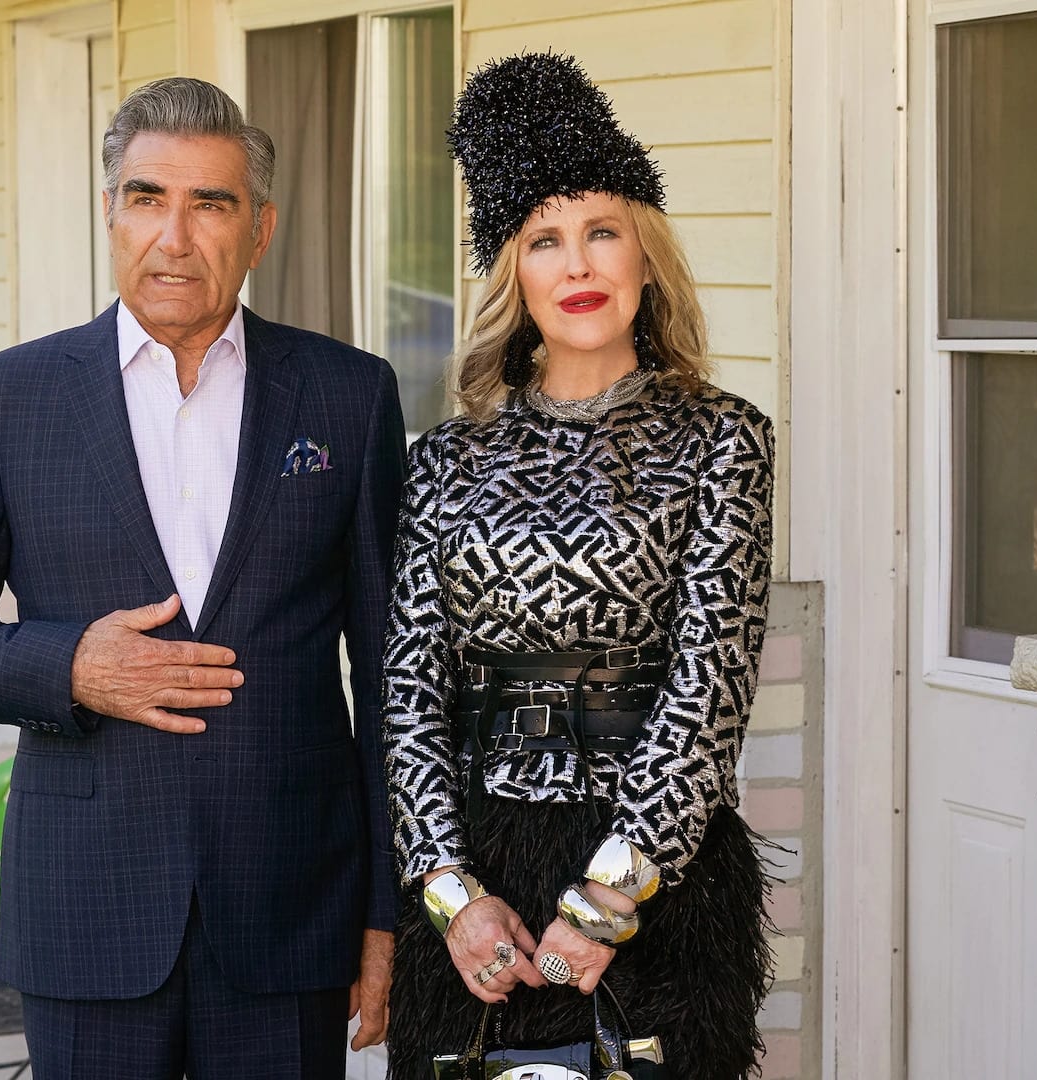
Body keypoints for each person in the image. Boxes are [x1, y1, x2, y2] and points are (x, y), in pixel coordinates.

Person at [0, 76, 401, 1079]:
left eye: (211, 204)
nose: (176, 236)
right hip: (89, 906)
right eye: (147, 198)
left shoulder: (350, 394)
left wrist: (386, 913)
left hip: (293, 909)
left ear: (260, 230)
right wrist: (70, 666)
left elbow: (393, 679)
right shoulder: (10, 396)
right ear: (109, 213)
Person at [382, 52, 775, 1079]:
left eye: (603, 231)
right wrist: (451, 895)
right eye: (544, 240)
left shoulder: (722, 440)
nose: (579, 265)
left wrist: (608, 899)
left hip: (655, 878)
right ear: (514, 273)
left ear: (645, 256)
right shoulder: (446, 459)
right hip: (476, 890)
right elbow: (410, 691)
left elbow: (712, 686)